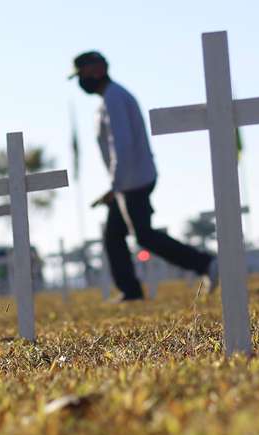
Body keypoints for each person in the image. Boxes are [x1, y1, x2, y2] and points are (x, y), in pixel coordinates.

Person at [69, 51, 218, 302]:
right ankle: (131, 291)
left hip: (132, 181)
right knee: (115, 235)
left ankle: (206, 263)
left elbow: (122, 145)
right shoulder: (110, 99)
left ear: (96, 70)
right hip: (129, 180)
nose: (80, 81)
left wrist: (114, 187)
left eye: (81, 74)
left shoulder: (115, 98)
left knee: (143, 236)